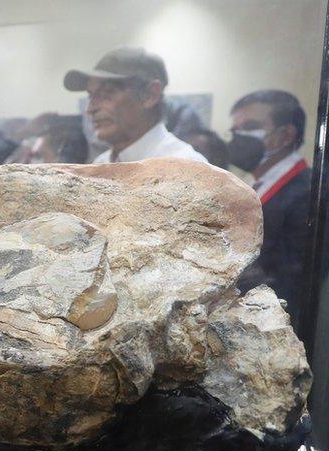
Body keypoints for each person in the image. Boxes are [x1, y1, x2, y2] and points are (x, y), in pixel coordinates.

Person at [230, 90, 311, 319]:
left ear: (285, 135)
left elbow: (295, 279)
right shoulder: (255, 182)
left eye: (250, 127)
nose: (238, 137)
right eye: (236, 129)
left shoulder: (307, 192)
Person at [63, 46, 206, 164]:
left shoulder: (186, 168)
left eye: (107, 94)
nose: (91, 109)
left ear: (150, 95)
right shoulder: (101, 165)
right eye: (91, 96)